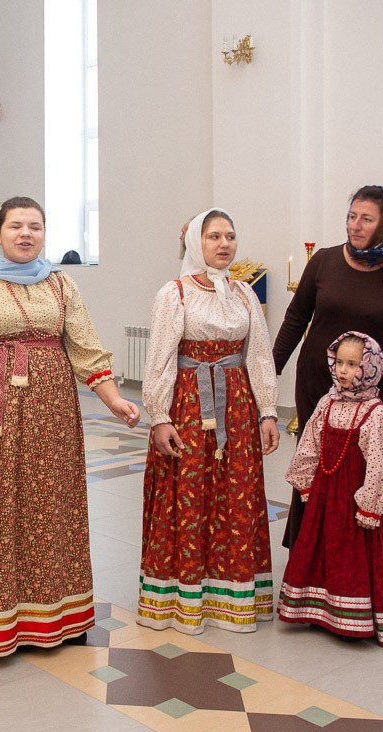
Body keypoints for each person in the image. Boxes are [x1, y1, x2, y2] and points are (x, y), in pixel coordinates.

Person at [0, 196, 140, 656]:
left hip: (53, 416)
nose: (25, 234)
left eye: (34, 226)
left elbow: (85, 347)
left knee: (51, 507)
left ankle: (58, 615)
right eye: (16, 226)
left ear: (45, 233)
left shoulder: (62, 284)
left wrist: (113, 400)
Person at [273, 185, 383, 588]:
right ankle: (311, 562)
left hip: (377, 399)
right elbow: (295, 320)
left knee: (374, 472)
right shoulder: (324, 262)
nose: (355, 226)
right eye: (351, 216)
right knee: (319, 471)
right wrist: (268, 372)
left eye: (367, 219)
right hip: (319, 389)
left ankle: (381, 569)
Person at [139, 208, 280, 635]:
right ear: (195, 243)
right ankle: (183, 599)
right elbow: (160, 358)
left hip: (236, 407)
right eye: (214, 236)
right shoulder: (175, 294)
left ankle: (232, 596)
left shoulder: (244, 294)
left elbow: (260, 355)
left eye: (230, 236)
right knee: (189, 492)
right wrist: (159, 416)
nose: (224, 244)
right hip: (187, 404)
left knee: (236, 493)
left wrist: (268, 410)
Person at [278, 332, 383, 647]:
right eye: (339, 363)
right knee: (322, 548)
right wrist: (306, 481)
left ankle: (353, 616)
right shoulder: (328, 402)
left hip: (354, 500)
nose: (343, 370)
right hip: (325, 495)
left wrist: (370, 505)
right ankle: (321, 611)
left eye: (352, 364)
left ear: (370, 367)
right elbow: (310, 441)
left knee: (352, 555)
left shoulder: (377, 414)